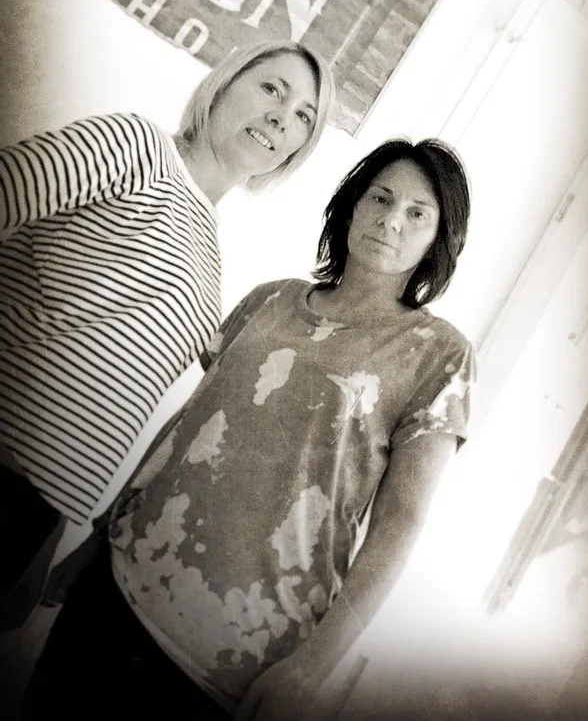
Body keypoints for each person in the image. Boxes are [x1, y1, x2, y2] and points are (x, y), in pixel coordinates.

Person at [22, 137, 476, 721]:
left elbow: (402, 520)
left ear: (440, 238)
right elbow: (191, 426)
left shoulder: (439, 356)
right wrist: (95, 538)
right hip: (116, 586)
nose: (391, 221)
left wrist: (313, 669)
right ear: (353, 204)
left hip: (230, 657)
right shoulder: (271, 299)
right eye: (380, 198)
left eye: (417, 214)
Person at [0, 39, 334, 628]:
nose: (285, 116)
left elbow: (114, 404)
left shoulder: (211, 259)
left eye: (305, 115)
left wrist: (49, 536)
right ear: (225, 82)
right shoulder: (134, 146)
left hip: (30, 511)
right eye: (272, 88)